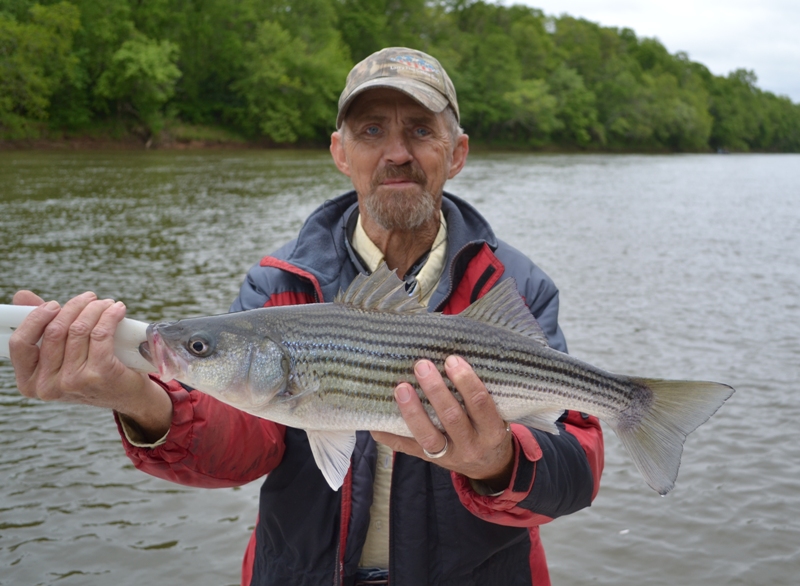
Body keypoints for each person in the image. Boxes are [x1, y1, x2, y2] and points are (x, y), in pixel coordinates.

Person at [9, 48, 603, 586]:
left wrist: (499, 462)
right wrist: (139, 399)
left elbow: (574, 473)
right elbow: (246, 445)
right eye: (371, 130)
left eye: (421, 130)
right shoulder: (278, 285)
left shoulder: (518, 286)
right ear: (340, 152)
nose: (397, 153)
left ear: (458, 151)